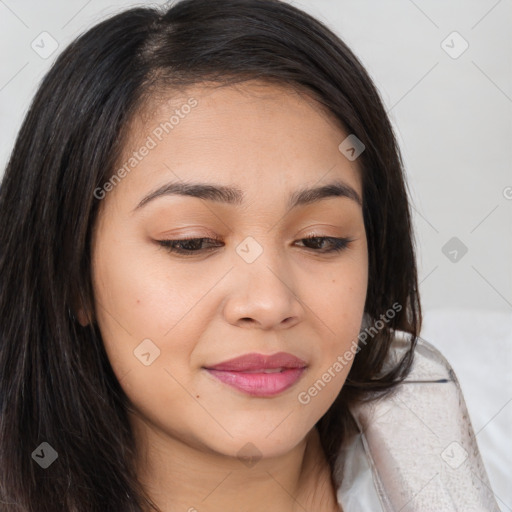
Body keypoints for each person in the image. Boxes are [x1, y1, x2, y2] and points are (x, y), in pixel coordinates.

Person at [0, 1, 498, 511]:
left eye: (320, 240)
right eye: (190, 241)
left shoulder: (474, 426)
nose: (268, 301)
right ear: (71, 277)